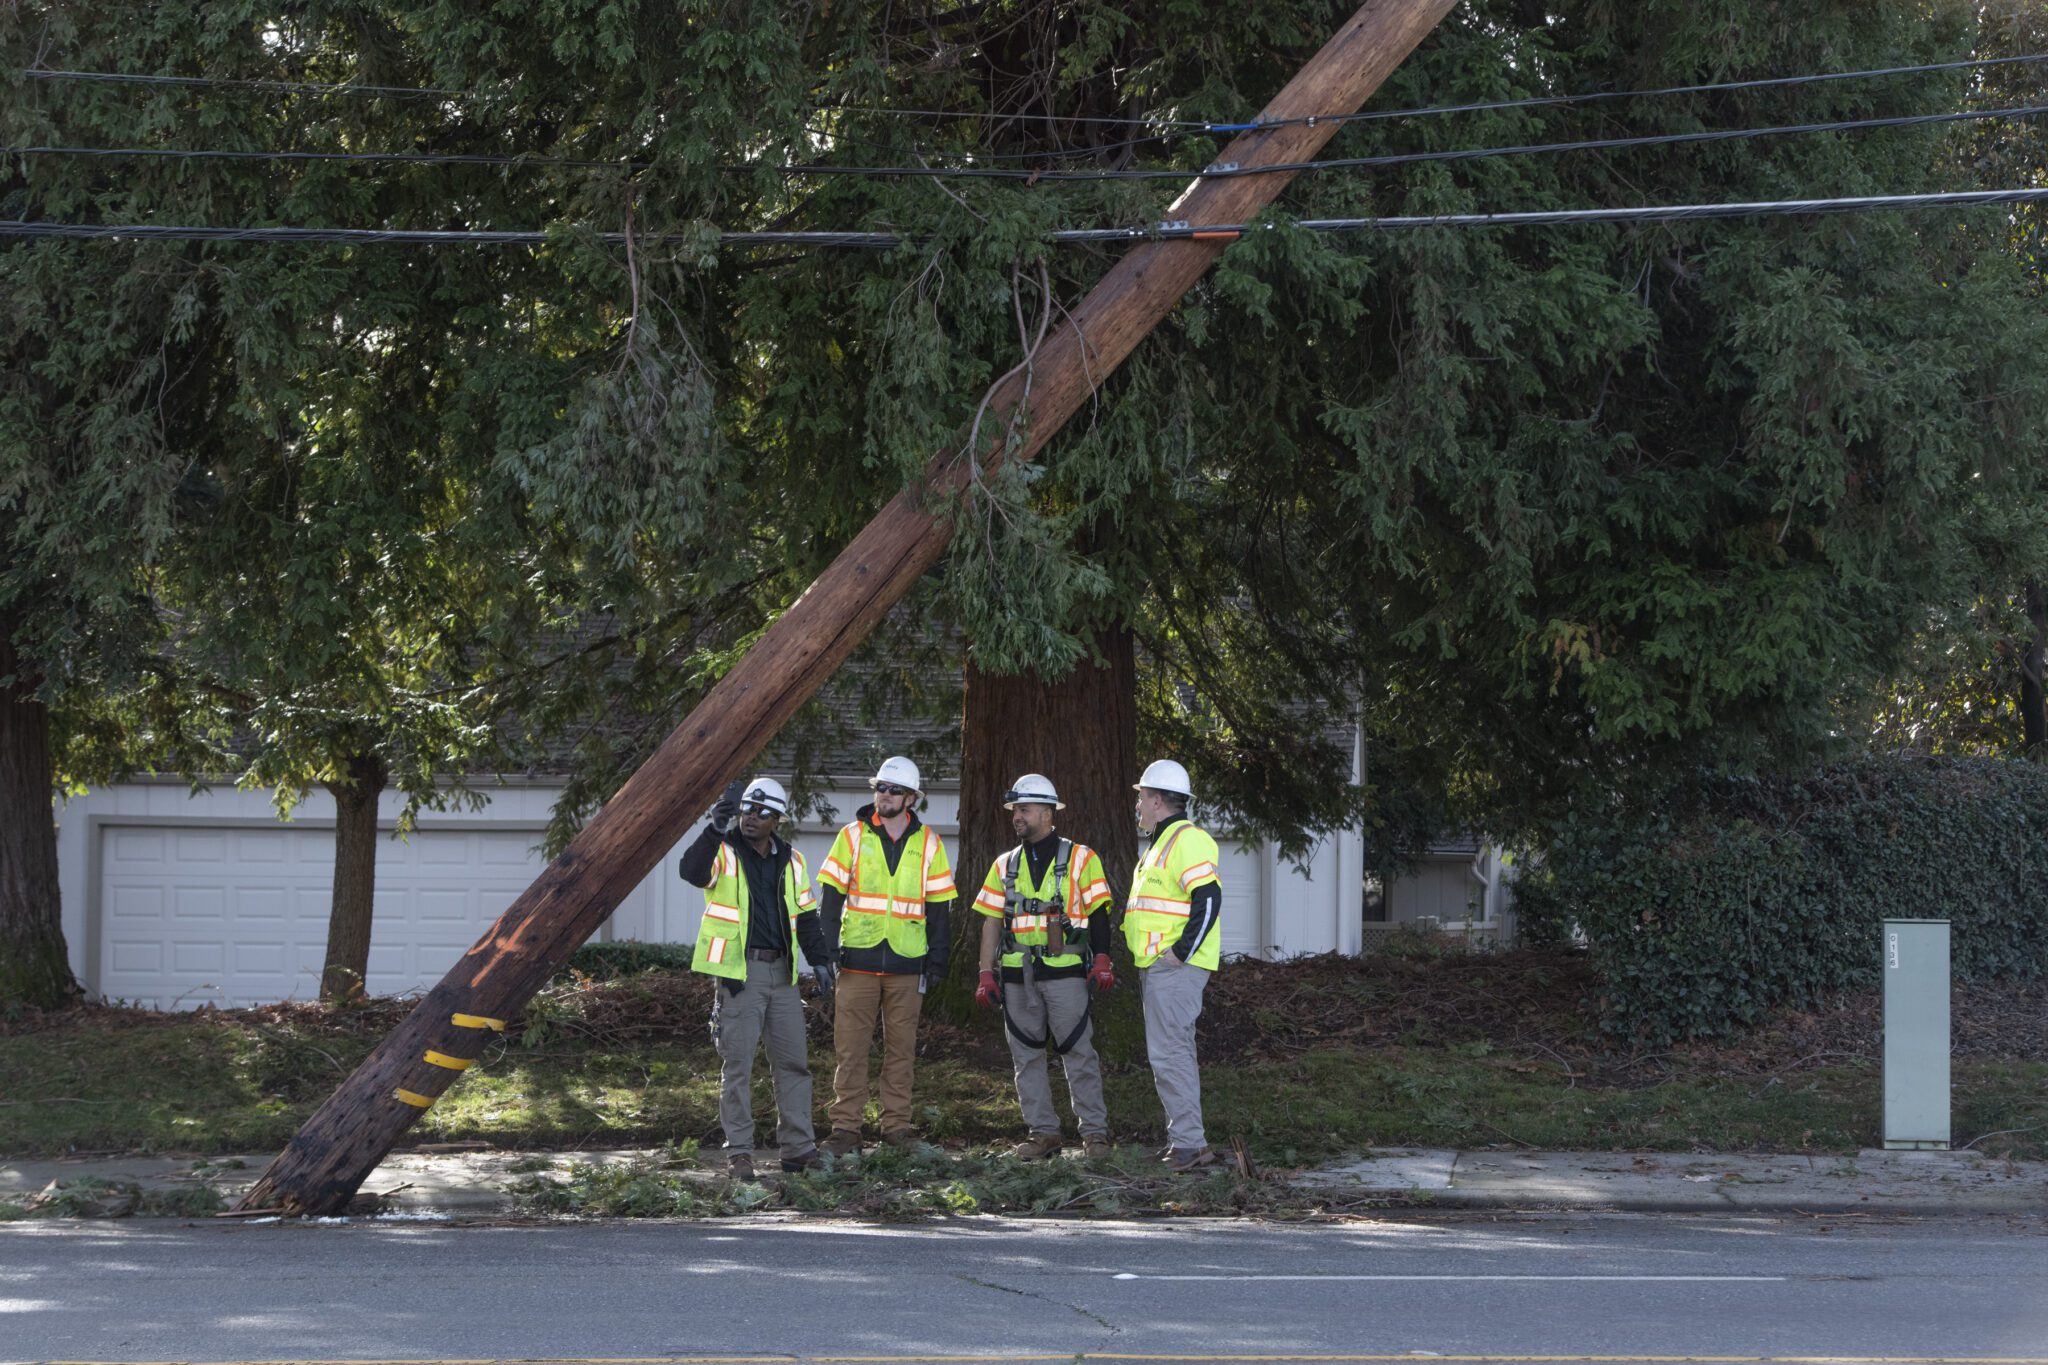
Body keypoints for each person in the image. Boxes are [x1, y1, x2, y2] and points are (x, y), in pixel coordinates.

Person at [678, 775, 835, 1181]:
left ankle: (798, 1150)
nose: (751, 817)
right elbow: (691, 872)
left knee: (793, 1064)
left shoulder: (792, 860)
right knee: (738, 1068)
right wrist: (715, 826)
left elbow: (806, 916)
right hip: (738, 973)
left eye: (763, 812)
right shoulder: (724, 850)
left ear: (776, 819)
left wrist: (820, 961)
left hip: (782, 975)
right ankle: (740, 1154)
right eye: (747, 809)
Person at [972, 773, 1117, 1161]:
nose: (1016, 816)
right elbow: (989, 920)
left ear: (1048, 813)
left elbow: (1100, 911)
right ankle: (1043, 1133)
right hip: (1017, 977)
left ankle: (1095, 1136)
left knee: (1079, 1054)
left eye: (1024, 809)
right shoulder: (1005, 864)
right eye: (1015, 810)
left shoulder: (1082, 858)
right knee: (1026, 1057)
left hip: (1066, 973)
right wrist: (985, 973)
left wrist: (1102, 959)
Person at [815, 756, 955, 1155]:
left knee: (901, 1051)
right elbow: (830, 900)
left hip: (908, 964)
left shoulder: (929, 842)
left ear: (911, 798)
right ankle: (845, 1130)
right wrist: (824, 955)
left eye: (894, 790)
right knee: (850, 1049)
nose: (885, 795)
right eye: (880, 787)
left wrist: (939, 960)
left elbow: (940, 906)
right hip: (857, 960)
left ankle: (896, 1128)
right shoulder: (852, 835)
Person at [1126, 758, 1223, 1172]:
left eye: (1142, 798)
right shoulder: (1161, 844)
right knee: (1168, 1054)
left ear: (1158, 800)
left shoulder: (1187, 840)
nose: (1138, 806)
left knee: (1171, 1055)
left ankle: (1189, 1145)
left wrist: (1180, 952)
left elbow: (1210, 899)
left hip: (1175, 968)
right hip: (1161, 968)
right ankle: (1184, 1142)